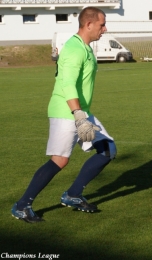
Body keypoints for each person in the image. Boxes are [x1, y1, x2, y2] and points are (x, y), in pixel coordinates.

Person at [11, 7, 116, 223]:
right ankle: (22, 206)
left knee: (107, 149)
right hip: (67, 111)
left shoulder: (83, 47)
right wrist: (78, 115)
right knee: (59, 160)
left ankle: (73, 195)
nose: (104, 28)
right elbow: (67, 84)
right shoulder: (75, 49)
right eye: (102, 24)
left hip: (80, 111)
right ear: (88, 24)